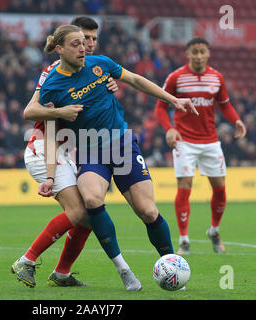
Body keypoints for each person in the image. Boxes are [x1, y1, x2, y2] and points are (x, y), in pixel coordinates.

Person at [37, 25, 197, 290]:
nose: (83, 48)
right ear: (59, 49)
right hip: (88, 149)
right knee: (91, 199)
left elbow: (135, 80)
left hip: (122, 144)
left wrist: (173, 100)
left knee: (147, 211)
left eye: (84, 42)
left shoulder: (100, 64)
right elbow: (51, 132)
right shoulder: (52, 87)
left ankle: (172, 265)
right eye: (76, 44)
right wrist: (51, 175)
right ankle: (123, 270)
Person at [12, 16, 126, 289]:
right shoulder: (53, 73)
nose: (89, 45)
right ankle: (26, 261)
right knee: (77, 211)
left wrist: (112, 85)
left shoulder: (92, 69)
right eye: (83, 39)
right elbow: (31, 111)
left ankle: (62, 272)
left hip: (65, 149)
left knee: (88, 213)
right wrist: (59, 112)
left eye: (93, 39)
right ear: (65, 44)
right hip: (44, 147)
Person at [154, 37, 247, 254]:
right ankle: (184, 239)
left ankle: (214, 230)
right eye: (194, 52)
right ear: (187, 54)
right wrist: (169, 128)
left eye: (202, 52)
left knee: (220, 188)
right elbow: (160, 107)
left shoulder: (217, 78)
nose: (198, 56)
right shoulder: (176, 77)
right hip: (184, 141)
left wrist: (236, 121)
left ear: (208, 54)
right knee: (185, 185)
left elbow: (225, 105)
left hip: (211, 141)